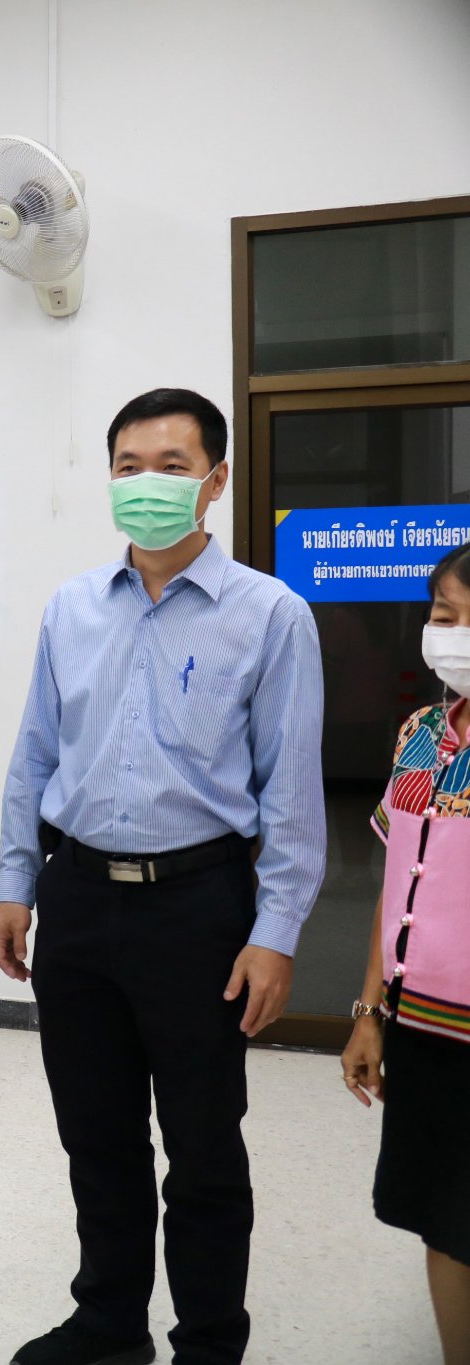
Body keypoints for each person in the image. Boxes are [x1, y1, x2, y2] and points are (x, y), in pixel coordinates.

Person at [0, 388, 325, 1365]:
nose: (146, 484)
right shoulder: (70, 608)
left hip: (198, 908)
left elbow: (292, 795)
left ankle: (209, 1343)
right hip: (78, 897)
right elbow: (34, 756)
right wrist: (15, 883)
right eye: (128, 466)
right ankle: (108, 1322)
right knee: (95, 1136)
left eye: (171, 467)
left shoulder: (270, 615)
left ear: (214, 482)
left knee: (203, 1149)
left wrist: (274, 933)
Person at [342, 543, 470, 1365]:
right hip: (424, 1026)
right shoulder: (421, 733)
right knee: (445, 1217)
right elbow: (396, 886)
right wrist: (369, 1013)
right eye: (442, 616)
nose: (448, 634)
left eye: (463, 618)